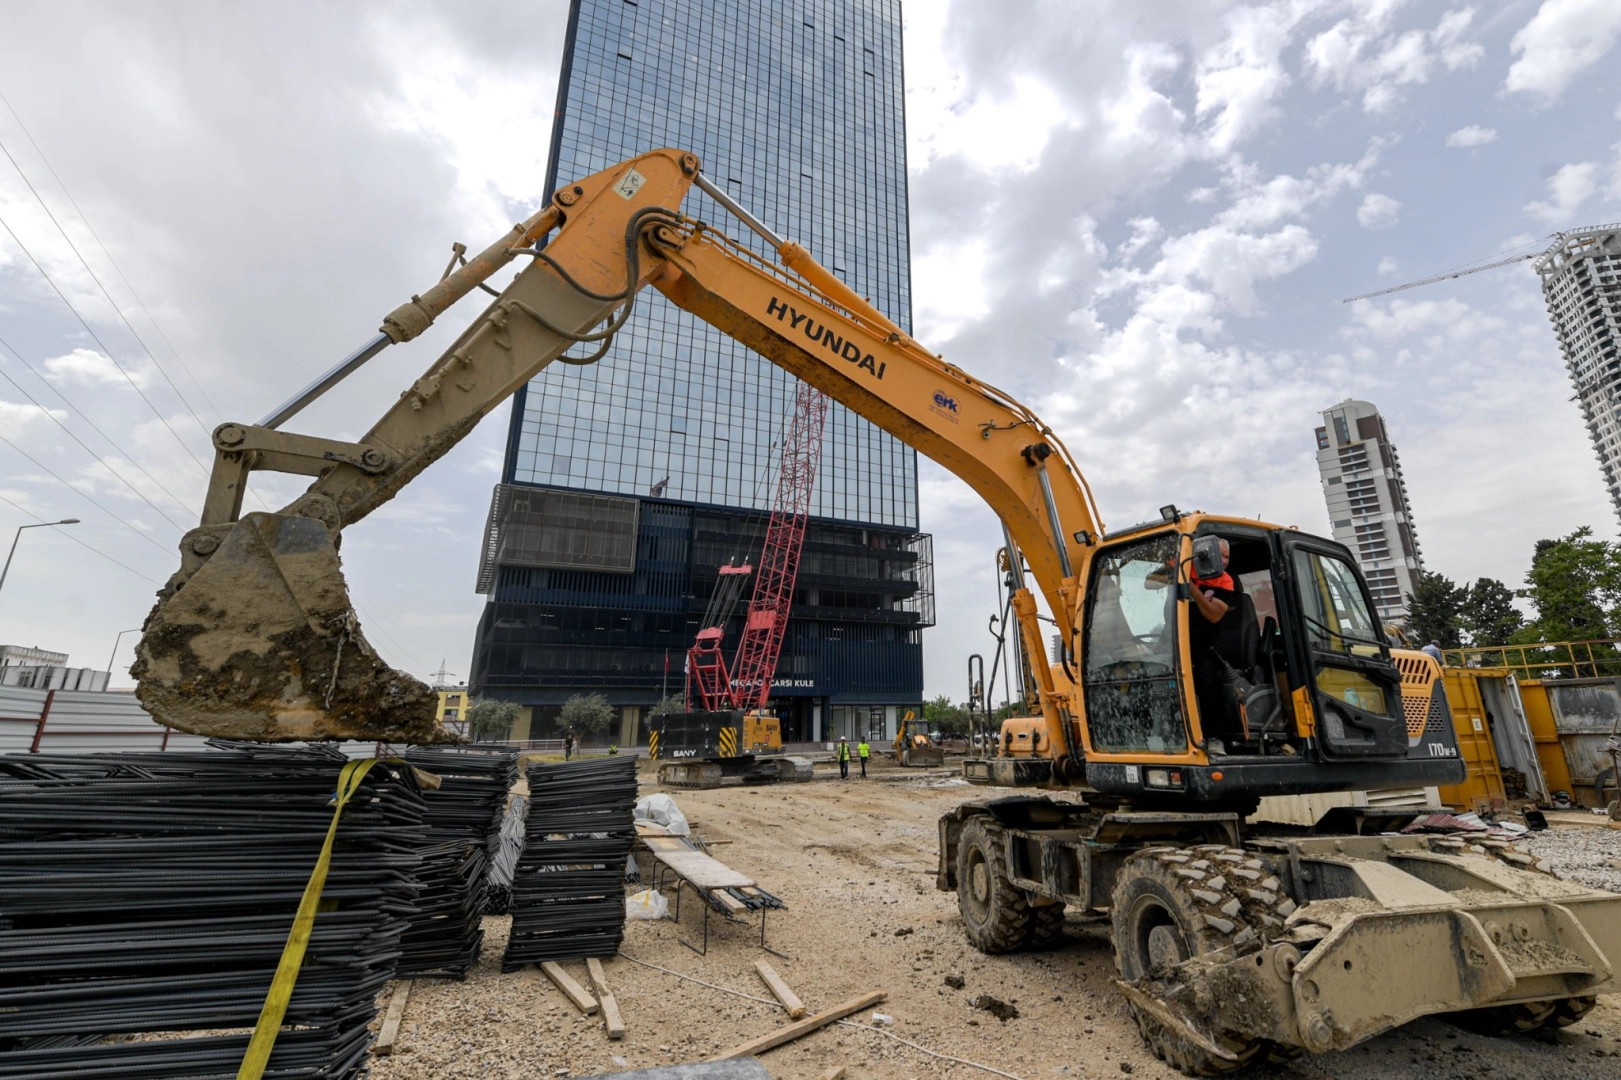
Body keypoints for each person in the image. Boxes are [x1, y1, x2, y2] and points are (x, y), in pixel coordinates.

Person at [1187, 538, 1247, 737]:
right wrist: (1177, 572)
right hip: (1180, 641)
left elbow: (1214, 615)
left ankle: (1214, 738)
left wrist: (1191, 588)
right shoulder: (1186, 569)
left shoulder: (1224, 581)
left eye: (1227, 556)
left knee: (1207, 684)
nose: (1225, 560)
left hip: (1208, 645)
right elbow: (1150, 582)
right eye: (1220, 555)